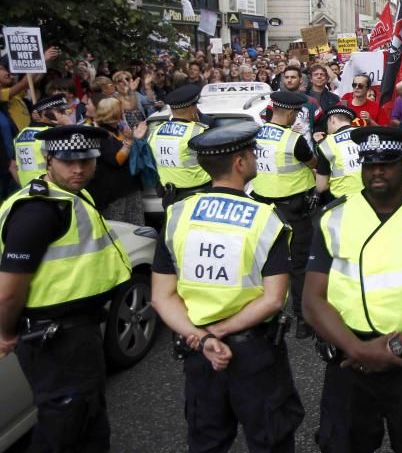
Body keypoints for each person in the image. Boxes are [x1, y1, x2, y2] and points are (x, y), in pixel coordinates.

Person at [304, 126, 402, 453]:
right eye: (369, 163)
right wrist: (358, 348)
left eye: (387, 163)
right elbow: (311, 299)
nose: (377, 170)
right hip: (349, 360)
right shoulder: (333, 218)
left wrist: (393, 347)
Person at [151, 123, 304, 453]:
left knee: (207, 440)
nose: (255, 158)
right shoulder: (266, 219)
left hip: (199, 351)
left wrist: (205, 338)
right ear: (239, 163)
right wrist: (221, 331)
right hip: (255, 355)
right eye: (252, 153)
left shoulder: (177, 215)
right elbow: (273, 299)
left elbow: (162, 295)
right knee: (271, 440)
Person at [0, 125, 132, 452]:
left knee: (89, 421)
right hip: (55, 340)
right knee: (64, 426)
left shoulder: (70, 195)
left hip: (77, 332)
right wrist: (5, 333)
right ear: (48, 159)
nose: (78, 169)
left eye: (86, 161)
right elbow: (8, 290)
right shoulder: (38, 211)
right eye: (67, 162)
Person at [253, 91, 318, 339]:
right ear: (290, 113)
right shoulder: (293, 140)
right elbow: (313, 163)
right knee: (299, 266)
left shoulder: (256, 133)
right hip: (294, 210)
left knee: (264, 262)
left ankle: (263, 313)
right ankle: (303, 321)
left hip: (264, 209)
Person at [147, 84, 212, 210]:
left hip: (169, 198)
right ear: (192, 108)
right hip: (198, 199)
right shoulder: (199, 132)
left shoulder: (155, 131)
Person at [12, 93, 76, 186]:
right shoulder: (53, 134)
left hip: (27, 189)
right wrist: (70, 125)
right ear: (44, 114)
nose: (65, 115)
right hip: (50, 189)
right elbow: (78, 154)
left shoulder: (21, 134)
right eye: (60, 112)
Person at [316, 105, 363, 201]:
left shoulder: (326, 144)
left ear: (332, 119)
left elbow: (321, 187)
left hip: (343, 201)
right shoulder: (365, 134)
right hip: (370, 197)